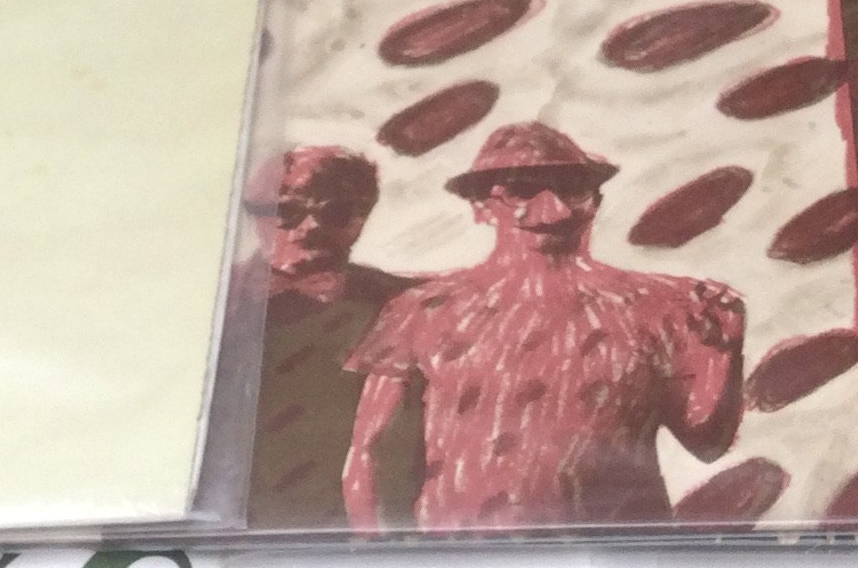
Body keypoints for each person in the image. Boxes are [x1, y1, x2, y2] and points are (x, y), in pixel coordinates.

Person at [341, 122, 744, 531]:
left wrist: (721, 352)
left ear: (595, 201)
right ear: (480, 207)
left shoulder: (663, 306)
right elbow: (368, 451)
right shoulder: (424, 309)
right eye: (522, 191)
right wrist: (373, 549)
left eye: (572, 189)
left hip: (614, 546)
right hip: (465, 549)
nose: (555, 210)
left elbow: (708, 443)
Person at [239, 145, 414, 525]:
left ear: (362, 217)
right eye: (286, 211)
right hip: (233, 518)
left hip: (352, 522)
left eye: (335, 212)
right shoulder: (211, 298)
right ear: (255, 213)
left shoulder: (402, 302)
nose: (310, 228)